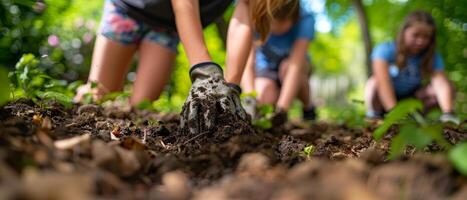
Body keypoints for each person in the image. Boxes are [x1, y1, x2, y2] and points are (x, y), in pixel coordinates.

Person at [74, 0, 233, 105]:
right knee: (98, 94)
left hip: (166, 27)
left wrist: (233, 86)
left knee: (142, 107)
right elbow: (185, 4)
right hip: (126, 9)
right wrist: (205, 69)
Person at [364, 10, 460, 124]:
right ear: (404, 32)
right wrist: (395, 114)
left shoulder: (432, 56)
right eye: (416, 35)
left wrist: (448, 112)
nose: (421, 41)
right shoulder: (385, 49)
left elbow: (440, 83)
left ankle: (422, 119)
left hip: (412, 97)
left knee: (449, 87)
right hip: (387, 97)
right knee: (374, 82)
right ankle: (376, 115)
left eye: (426, 37)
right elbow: (382, 81)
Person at [238, 0, 317, 121]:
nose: (275, 27)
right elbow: (248, 63)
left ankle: (308, 107)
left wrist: (282, 110)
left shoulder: (305, 19)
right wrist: (250, 99)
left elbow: (295, 66)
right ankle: (274, 100)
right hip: (266, 68)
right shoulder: (256, 16)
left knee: (287, 67)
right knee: (263, 94)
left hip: (296, 68)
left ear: (294, 18)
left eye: (282, 22)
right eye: (272, 21)